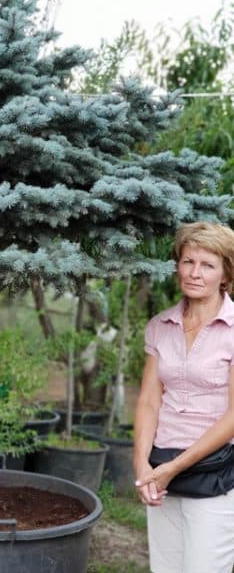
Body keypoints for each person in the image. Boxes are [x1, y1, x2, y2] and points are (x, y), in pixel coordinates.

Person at [133, 221, 234, 573]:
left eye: (208, 265)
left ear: (225, 274)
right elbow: (149, 401)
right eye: (188, 262)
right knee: (166, 568)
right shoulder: (160, 326)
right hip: (161, 470)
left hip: (215, 474)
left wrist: (172, 469)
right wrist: (142, 466)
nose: (195, 273)